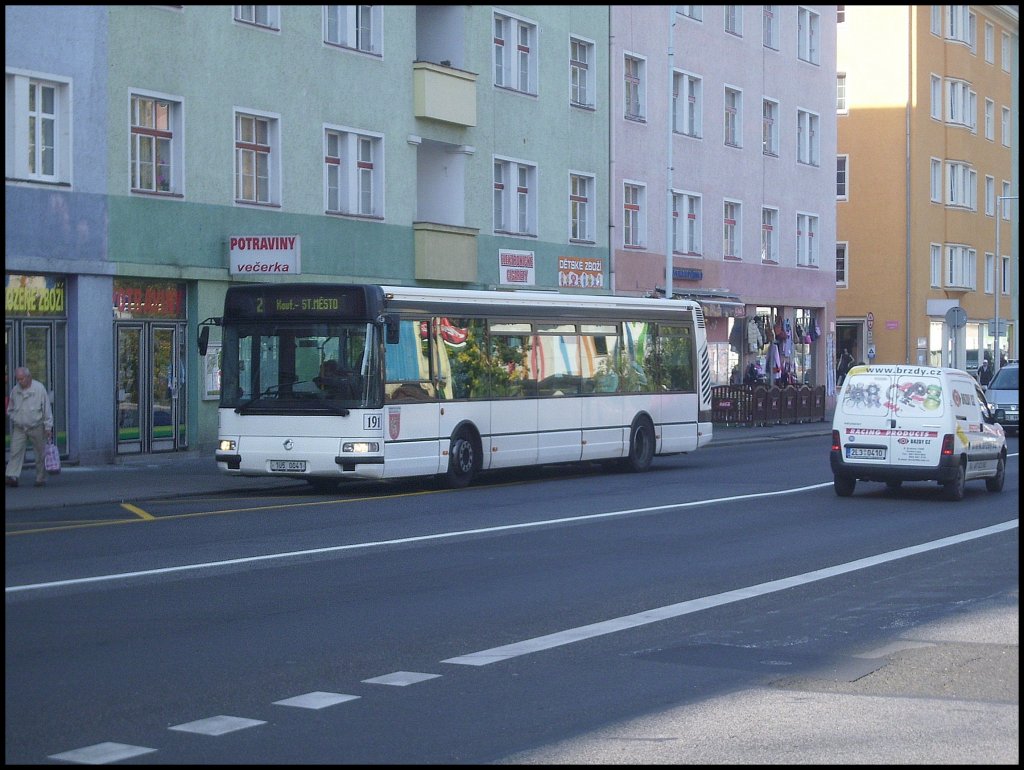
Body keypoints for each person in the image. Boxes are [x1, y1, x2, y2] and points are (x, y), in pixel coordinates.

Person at [6, 366, 54, 488]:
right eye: (18, 379)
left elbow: (46, 409)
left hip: (36, 426)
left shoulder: (39, 388)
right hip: (20, 427)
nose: (20, 382)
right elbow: (10, 408)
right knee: (15, 452)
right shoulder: (15, 390)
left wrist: (48, 427)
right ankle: (12, 476)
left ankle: (40, 478)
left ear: (28, 377)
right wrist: (14, 418)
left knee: (40, 453)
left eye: (22, 379)